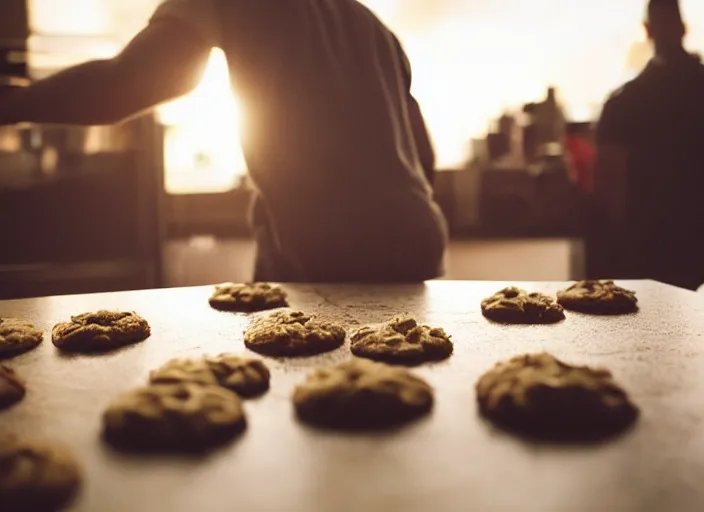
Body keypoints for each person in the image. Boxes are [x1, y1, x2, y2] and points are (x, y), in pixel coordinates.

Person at [0, 0, 447, 283]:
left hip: (327, 241)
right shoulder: (367, 22)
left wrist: (13, 103)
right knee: (394, 395)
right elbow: (421, 152)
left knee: (310, 397)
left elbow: (129, 83)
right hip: (418, 231)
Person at [592, 0, 704, 290]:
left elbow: (608, 182)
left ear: (647, 30)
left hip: (648, 238)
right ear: (684, 28)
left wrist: (613, 238)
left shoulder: (624, 102)